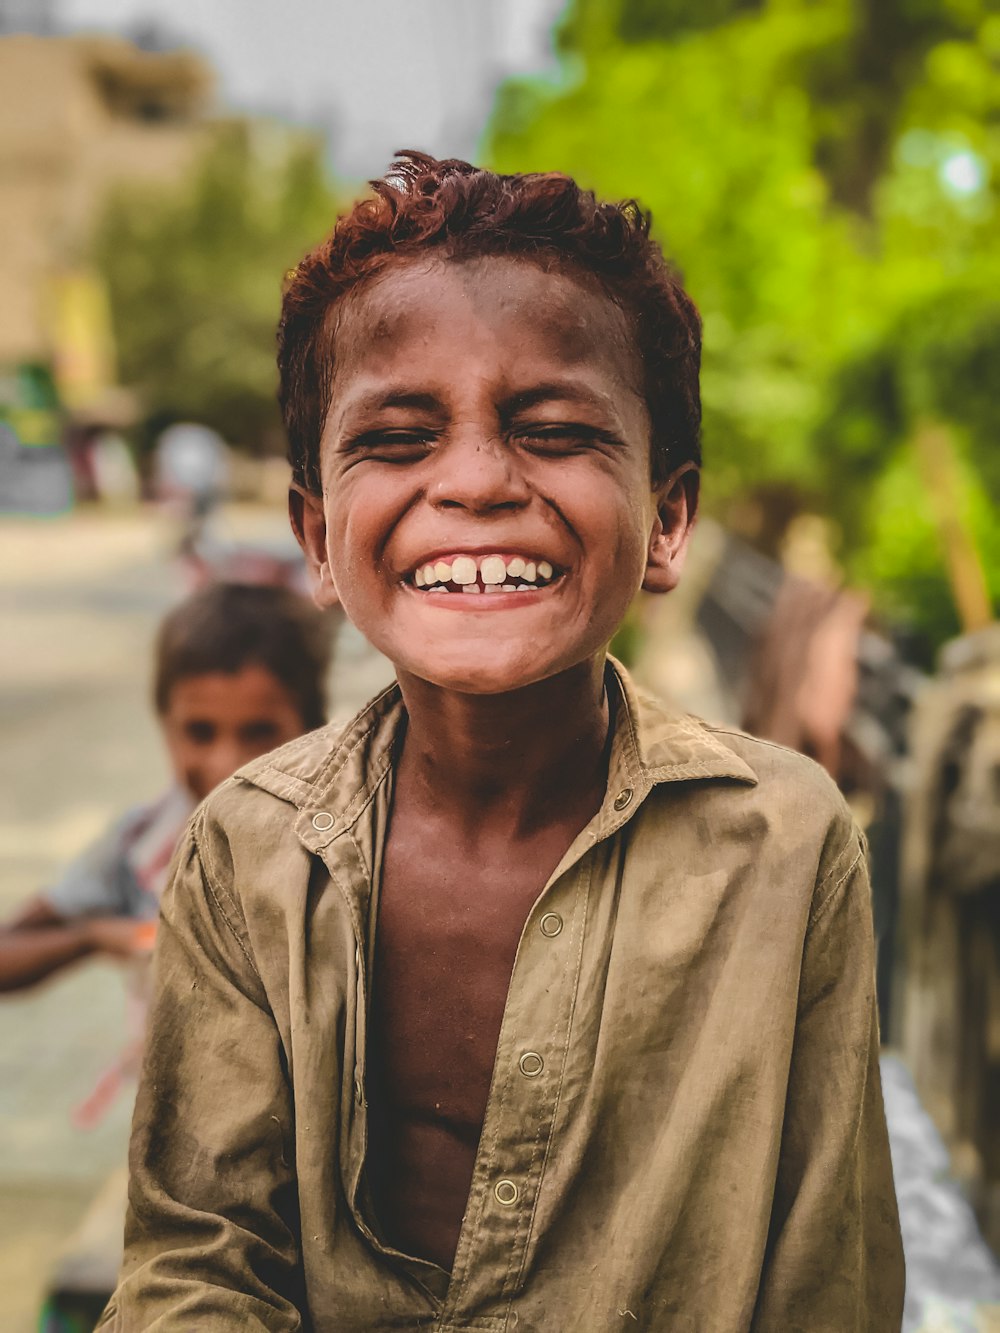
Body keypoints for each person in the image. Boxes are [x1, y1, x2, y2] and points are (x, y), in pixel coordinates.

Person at [101, 153, 904, 1331]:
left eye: (555, 427)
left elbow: (823, 1279)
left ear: (667, 519)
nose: (476, 480)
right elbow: (194, 1265)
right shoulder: (246, 852)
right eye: (398, 437)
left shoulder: (782, 845)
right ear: (317, 538)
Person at [0, 581, 331, 994]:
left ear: (312, 728)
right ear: (166, 725)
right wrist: (90, 938)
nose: (227, 764)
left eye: (259, 732)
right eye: (200, 732)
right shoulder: (142, 844)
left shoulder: (338, 844)